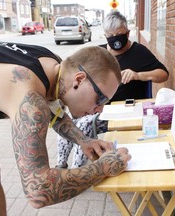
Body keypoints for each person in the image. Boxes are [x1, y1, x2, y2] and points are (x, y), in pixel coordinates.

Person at [0, 41, 131, 216]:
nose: (99, 109)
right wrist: (103, 167)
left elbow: (53, 110)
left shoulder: (53, 66)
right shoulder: (28, 96)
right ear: (79, 80)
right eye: (101, 99)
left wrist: (83, 140)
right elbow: (39, 190)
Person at [56, 10, 169, 169]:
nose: (115, 39)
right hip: (96, 108)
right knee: (67, 120)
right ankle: (61, 164)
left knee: (83, 126)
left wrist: (138, 75)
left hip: (122, 110)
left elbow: (163, 74)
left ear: (128, 33)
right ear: (105, 36)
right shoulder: (99, 55)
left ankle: (77, 170)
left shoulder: (139, 52)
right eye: (110, 35)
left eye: (119, 34)